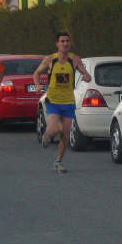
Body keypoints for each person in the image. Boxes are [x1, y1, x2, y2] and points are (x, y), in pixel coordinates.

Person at [33, 31, 91, 173]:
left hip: (69, 102)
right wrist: (37, 85)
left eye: (67, 41)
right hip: (53, 100)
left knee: (65, 134)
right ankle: (47, 135)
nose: (65, 44)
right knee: (54, 129)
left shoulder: (75, 59)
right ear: (57, 44)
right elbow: (36, 73)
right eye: (62, 41)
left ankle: (58, 162)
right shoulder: (50, 60)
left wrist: (87, 76)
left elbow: (86, 74)